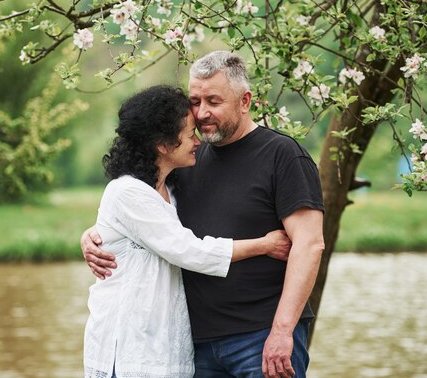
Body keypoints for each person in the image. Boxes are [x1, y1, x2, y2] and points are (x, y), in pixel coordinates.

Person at [82, 52, 325, 378]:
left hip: (260, 336)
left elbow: (310, 245)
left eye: (213, 100)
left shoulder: (282, 155)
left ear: (245, 101)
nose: (202, 112)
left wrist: (282, 331)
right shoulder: (189, 159)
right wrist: (99, 234)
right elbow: (156, 221)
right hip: (194, 345)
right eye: (195, 100)